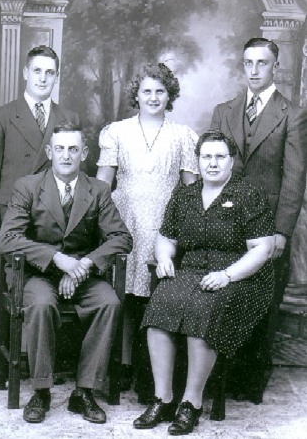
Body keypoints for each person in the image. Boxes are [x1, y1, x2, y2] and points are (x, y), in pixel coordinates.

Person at [133, 130, 275, 436]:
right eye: (206, 156)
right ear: (198, 160)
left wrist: (227, 275)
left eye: (219, 157)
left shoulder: (248, 194)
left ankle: (191, 403)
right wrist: (166, 257)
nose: (212, 163)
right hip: (192, 270)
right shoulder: (184, 195)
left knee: (202, 309)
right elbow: (165, 236)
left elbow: (262, 249)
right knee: (160, 306)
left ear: (231, 161)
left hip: (239, 275)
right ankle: (162, 398)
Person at [0, 124, 133, 424]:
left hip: (82, 272)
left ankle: (84, 391)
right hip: (36, 273)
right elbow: (9, 239)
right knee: (43, 303)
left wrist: (83, 265)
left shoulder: (97, 190)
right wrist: (57, 260)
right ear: (49, 152)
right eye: (59, 148)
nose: (66, 155)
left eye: (73, 149)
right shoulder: (29, 186)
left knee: (108, 302)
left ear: (84, 154)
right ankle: (42, 391)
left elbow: (122, 238)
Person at [0, 45, 81, 385]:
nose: (43, 78)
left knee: (45, 291)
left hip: (53, 222)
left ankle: (45, 365)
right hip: (13, 220)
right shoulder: (1, 115)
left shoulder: (67, 118)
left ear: (56, 76)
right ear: (25, 73)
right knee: (6, 291)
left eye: (49, 72)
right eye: (37, 71)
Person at [211, 37, 307, 401]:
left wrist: (282, 231)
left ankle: (251, 382)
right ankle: (220, 375)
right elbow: (214, 166)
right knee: (227, 294)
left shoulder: (292, 114)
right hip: (228, 221)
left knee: (264, 301)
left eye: (261, 63)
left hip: (269, 225)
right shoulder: (225, 111)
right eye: (248, 63)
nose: (253, 71)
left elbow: (295, 177)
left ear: (275, 67)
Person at [96, 63, 198, 399]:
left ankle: (150, 378)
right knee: (123, 298)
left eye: (160, 91)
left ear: (170, 96)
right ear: (136, 96)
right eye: (146, 91)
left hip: (164, 228)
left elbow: (191, 191)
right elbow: (101, 187)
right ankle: (121, 368)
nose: (153, 97)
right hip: (125, 223)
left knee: (156, 299)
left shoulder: (182, 136)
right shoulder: (117, 132)